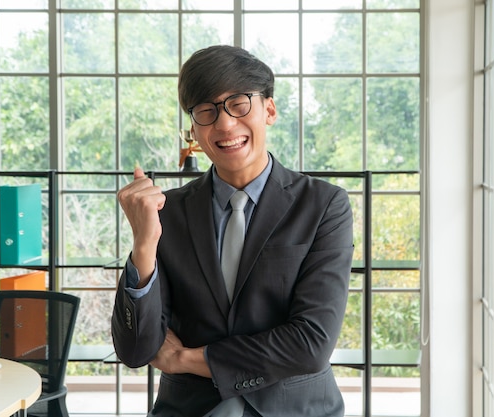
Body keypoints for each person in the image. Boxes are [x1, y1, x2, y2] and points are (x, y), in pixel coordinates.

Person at [111, 45, 354, 417]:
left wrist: (188, 359)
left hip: (297, 409)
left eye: (239, 103)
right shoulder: (167, 212)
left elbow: (310, 343)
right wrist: (144, 243)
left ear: (269, 110)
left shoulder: (323, 206)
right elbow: (136, 350)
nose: (224, 124)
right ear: (193, 128)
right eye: (206, 111)